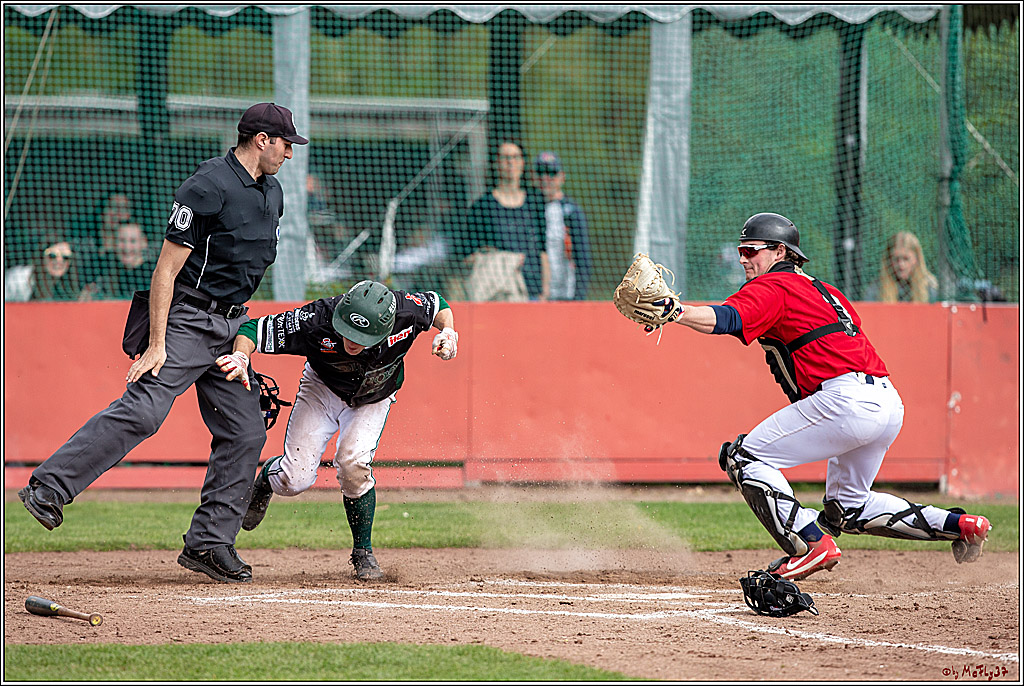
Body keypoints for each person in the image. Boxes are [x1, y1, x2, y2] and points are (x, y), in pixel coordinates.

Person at [18, 102, 308, 584]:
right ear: (261, 140)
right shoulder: (208, 185)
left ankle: (210, 544)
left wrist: (241, 335)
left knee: (246, 430)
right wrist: (157, 344)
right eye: (285, 144)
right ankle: (48, 488)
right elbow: (165, 270)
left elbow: (247, 272)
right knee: (144, 411)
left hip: (229, 326)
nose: (289, 155)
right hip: (186, 321)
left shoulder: (271, 192)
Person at [655, 212, 991, 579]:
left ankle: (811, 548)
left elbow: (727, 319)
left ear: (779, 251)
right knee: (847, 509)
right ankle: (961, 526)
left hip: (845, 400)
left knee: (743, 457)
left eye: (751, 250)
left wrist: (675, 311)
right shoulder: (825, 289)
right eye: (740, 250)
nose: (742, 258)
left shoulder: (774, 286)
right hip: (886, 402)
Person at [215, 280, 459, 580]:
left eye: (363, 335)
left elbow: (438, 304)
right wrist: (241, 356)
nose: (352, 340)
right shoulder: (317, 319)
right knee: (295, 480)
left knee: (353, 462)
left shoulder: (407, 310)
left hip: (375, 395)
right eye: (348, 329)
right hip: (322, 390)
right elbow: (253, 330)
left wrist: (448, 331)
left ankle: (363, 552)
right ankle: (267, 480)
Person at [458, 139, 545, 301]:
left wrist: (545, 293)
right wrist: (503, 261)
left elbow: (543, 251)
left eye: (515, 157)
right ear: (496, 163)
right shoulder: (482, 206)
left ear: (523, 163)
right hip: (497, 292)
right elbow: (467, 256)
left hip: (532, 290)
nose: (510, 162)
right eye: (505, 157)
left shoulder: (535, 202)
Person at [532, 151, 593, 301]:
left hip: (565, 293)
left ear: (562, 177)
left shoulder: (571, 211)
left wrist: (578, 296)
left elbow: (582, 257)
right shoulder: (528, 208)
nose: (545, 178)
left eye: (551, 173)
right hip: (535, 295)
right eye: (541, 173)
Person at [865, 231, 939, 303]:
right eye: (896, 259)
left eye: (906, 259)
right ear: (889, 259)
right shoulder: (876, 289)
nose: (901, 264)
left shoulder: (930, 287)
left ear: (916, 259)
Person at [96, 223, 157, 299]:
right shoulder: (107, 272)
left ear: (143, 242)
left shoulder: (155, 272)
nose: (127, 247)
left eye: (133, 241)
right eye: (121, 240)